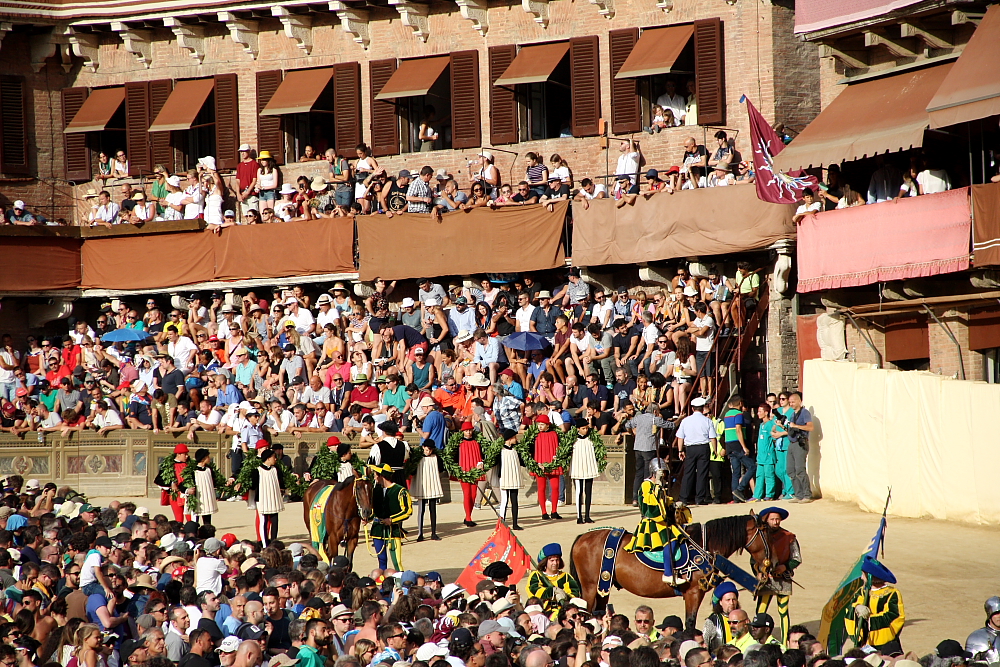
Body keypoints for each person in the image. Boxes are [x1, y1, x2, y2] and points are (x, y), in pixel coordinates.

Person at [754, 506, 802, 644]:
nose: (775, 522)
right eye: (772, 519)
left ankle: (786, 641)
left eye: (777, 519)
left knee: (783, 611)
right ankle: (757, 641)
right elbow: (754, 560)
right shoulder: (761, 538)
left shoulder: (788, 537)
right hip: (766, 580)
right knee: (761, 610)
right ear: (766, 520)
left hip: (783, 579)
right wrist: (758, 572)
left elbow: (796, 558)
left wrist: (785, 567)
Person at [845, 557, 905, 655]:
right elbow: (851, 606)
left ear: (869, 577)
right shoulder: (862, 591)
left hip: (884, 644)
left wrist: (868, 620)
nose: (861, 578)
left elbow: (895, 615)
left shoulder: (892, 593)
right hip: (864, 643)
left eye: (863, 575)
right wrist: (857, 608)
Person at [369, 462, 413, 571]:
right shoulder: (375, 490)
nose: (374, 476)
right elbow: (373, 509)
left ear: (381, 476)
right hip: (377, 530)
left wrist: (392, 520)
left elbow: (407, 511)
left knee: (397, 562)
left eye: (375, 474)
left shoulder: (400, 491)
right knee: (381, 560)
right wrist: (367, 518)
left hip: (393, 530)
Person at [676, 397, 716, 506]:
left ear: (693, 409)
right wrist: (715, 450)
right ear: (703, 408)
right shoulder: (707, 420)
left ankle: (684, 497)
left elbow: (680, 437)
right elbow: (713, 437)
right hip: (703, 447)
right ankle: (700, 498)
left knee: (688, 473)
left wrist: (680, 450)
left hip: (690, 448)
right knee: (702, 474)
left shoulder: (686, 421)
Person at [526, 543, 580, 611]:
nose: (555, 563)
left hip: (562, 612)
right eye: (552, 560)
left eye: (557, 560)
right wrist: (552, 591)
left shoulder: (566, 577)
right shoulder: (536, 575)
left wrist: (565, 596)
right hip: (542, 611)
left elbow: (574, 594)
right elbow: (535, 591)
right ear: (545, 561)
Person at [250, 448, 285, 547]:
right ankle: (265, 544)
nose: (276, 459)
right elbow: (253, 486)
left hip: (274, 499)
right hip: (262, 499)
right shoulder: (257, 470)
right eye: (274, 457)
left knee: (275, 521)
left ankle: (274, 542)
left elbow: (281, 483)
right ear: (268, 458)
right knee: (264, 522)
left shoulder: (276, 470)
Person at [531, 414, 562, 520]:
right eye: (539, 424)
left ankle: (554, 511)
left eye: (542, 424)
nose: (540, 426)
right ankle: (544, 512)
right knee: (541, 488)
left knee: (555, 487)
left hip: (552, 464)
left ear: (547, 425)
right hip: (540, 464)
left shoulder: (554, 434)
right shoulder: (534, 435)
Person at [411, 440, 442, 541]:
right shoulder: (418, 458)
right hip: (422, 487)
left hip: (432, 486)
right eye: (427, 449)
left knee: (433, 510)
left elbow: (441, 468)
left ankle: (434, 533)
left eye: (430, 450)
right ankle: (420, 533)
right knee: (421, 510)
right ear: (423, 447)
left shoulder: (436, 457)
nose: (428, 451)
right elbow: (412, 470)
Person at [785, 392, 814, 502]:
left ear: (799, 401)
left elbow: (810, 427)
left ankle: (807, 494)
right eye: (790, 402)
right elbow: (791, 430)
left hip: (800, 443)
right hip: (792, 443)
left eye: (793, 402)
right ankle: (799, 494)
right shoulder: (793, 414)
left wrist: (796, 426)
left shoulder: (805, 413)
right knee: (790, 470)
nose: (791, 404)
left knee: (800, 469)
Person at [569, 417, 599, 524]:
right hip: (578, 467)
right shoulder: (573, 440)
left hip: (589, 467)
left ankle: (587, 515)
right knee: (579, 492)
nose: (585, 430)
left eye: (586, 428)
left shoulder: (592, 439)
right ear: (578, 429)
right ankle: (579, 516)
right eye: (583, 428)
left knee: (588, 492)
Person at [457, 421, 485, 527]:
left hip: (474, 471)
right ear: (463, 431)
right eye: (466, 430)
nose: (468, 432)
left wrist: (482, 463)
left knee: (474, 495)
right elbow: (453, 456)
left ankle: (468, 515)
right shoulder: (458, 442)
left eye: (470, 430)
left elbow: (483, 453)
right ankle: (468, 517)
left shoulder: (477, 441)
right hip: (464, 471)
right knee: (467, 494)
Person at [751, 404, 777, 502]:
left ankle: (769, 495)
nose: (758, 413)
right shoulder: (761, 425)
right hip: (760, 456)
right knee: (759, 475)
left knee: (769, 475)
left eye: (760, 411)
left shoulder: (771, 424)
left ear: (766, 412)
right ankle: (757, 495)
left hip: (768, 455)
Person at [704, 581, 740, 652]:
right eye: (728, 600)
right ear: (720, 602)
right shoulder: (712, 621)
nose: (731, 603)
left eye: (734, 599)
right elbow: (705, 644)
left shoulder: (742, 618)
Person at [965, 597, 1000, 663]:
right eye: (996, 613)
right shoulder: (977, 637)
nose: (999, 616)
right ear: (989, 614)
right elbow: (969, 663)